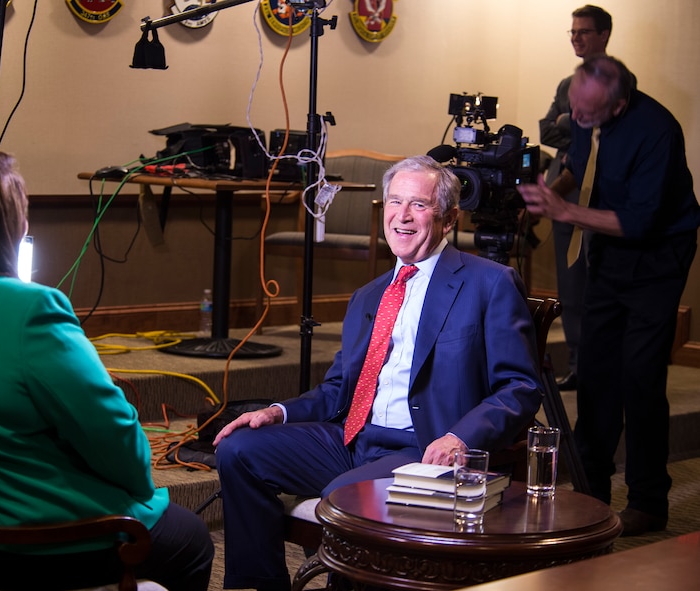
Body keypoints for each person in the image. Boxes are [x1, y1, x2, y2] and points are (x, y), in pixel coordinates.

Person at [214, 155, 544, 591]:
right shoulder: (368, 296)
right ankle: (259, 585)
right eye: (395, 201)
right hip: (354, 439)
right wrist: (277, 412)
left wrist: (460, 437)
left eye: (419, 205)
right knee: (239, 450)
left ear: (448, 219)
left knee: (345, 497)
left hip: (424, 447)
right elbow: (338, 390)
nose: (402, 216)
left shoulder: (489, 283)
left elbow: (519, 386)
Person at [0, 152, 214, 590]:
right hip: (23, 544)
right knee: (193, 539)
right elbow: (114, 440)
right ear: (12, 230)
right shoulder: (30, 309)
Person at [518, 55, 700, 536]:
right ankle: (590, 490)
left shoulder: (657, 129)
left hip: (657, 257)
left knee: (639, 376)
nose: (575, 119)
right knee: (596, 371)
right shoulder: (583, 113)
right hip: (609, 255)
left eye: (587, 113)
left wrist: (565, 211)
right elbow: (581, 165)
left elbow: (639, 221)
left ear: (618, 106)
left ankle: (648, 500)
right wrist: (548, 197)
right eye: (573, 109)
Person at [539, 4, 613, 391]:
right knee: (569, 286)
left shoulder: (616, 80)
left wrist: (572, 130)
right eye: (572, 32)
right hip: (562, 191)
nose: (576, 38)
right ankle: (576, 365)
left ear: (603, 35)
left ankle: (595, 365)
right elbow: (546, 130)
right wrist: (575, 132)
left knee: (594, 283)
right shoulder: (568, 84)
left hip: (597, 198)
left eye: (584, 32)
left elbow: (602, 134)